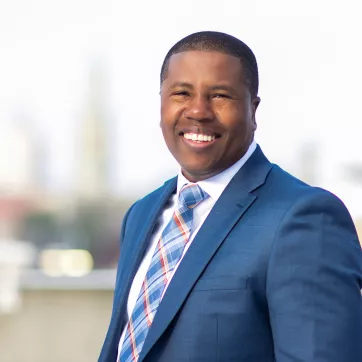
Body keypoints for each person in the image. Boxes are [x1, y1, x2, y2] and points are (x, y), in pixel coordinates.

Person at [99, 31, 362, 362]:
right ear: (162, 102)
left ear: (253, 109)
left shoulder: (304, 218)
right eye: (181, 93)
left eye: (220, 96)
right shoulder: (141, 214)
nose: (198, 111)